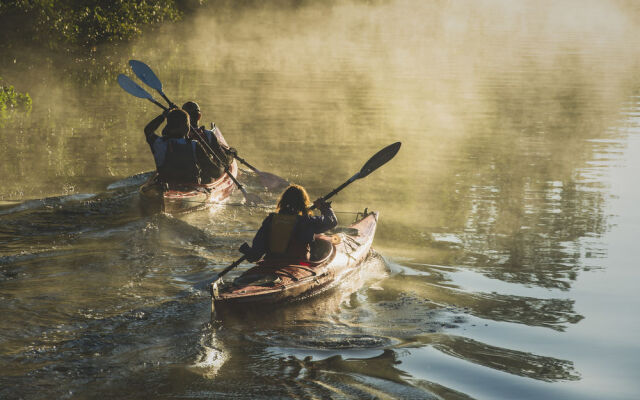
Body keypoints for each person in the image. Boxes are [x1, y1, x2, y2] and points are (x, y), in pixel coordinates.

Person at [240, 184, 338, 262]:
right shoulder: (306, 221)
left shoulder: (270, 220)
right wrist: (324, 207)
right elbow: (332, 222)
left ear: (282, 202)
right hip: (297, 264)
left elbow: (255, 256)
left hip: (271, 262)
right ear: (303, 204)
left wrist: (247, 251)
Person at [182, 101, 235, 183]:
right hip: (204, 180)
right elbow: (223, 159)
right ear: (199, 116)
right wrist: (231, 155)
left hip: (182, 178)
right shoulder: (208, 135)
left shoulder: (176, 137)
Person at [144, 108, 201, 184]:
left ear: (169, 127)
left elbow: (148, 130)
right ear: (186, 128)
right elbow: (215, 172)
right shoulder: (195, 145)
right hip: (191, 187)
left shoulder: (158, 143)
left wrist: (163, 116)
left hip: (166, 186)